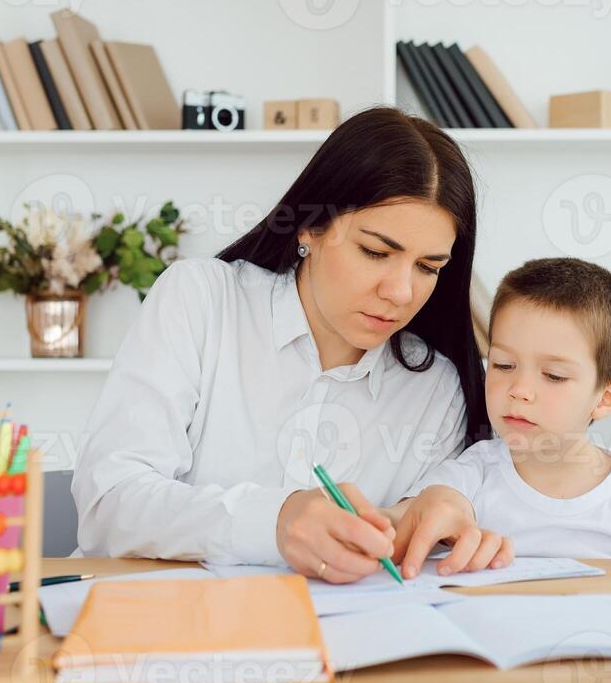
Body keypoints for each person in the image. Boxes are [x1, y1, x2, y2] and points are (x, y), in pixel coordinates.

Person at [72, 108, 513, 583]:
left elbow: (409, 541)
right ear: (310, 228)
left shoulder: (435, 387)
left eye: (428, 267)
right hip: (149, 628)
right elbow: (108, 504)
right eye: (376, 252)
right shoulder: (201, 299)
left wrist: (423, 522)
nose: (401, 292)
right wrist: (275, 520)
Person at [406, 258, 611, 572]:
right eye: (503, 365)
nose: (519, 390)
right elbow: (424, 511)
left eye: (553, 375)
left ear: (605, 398)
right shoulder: (469, 477)